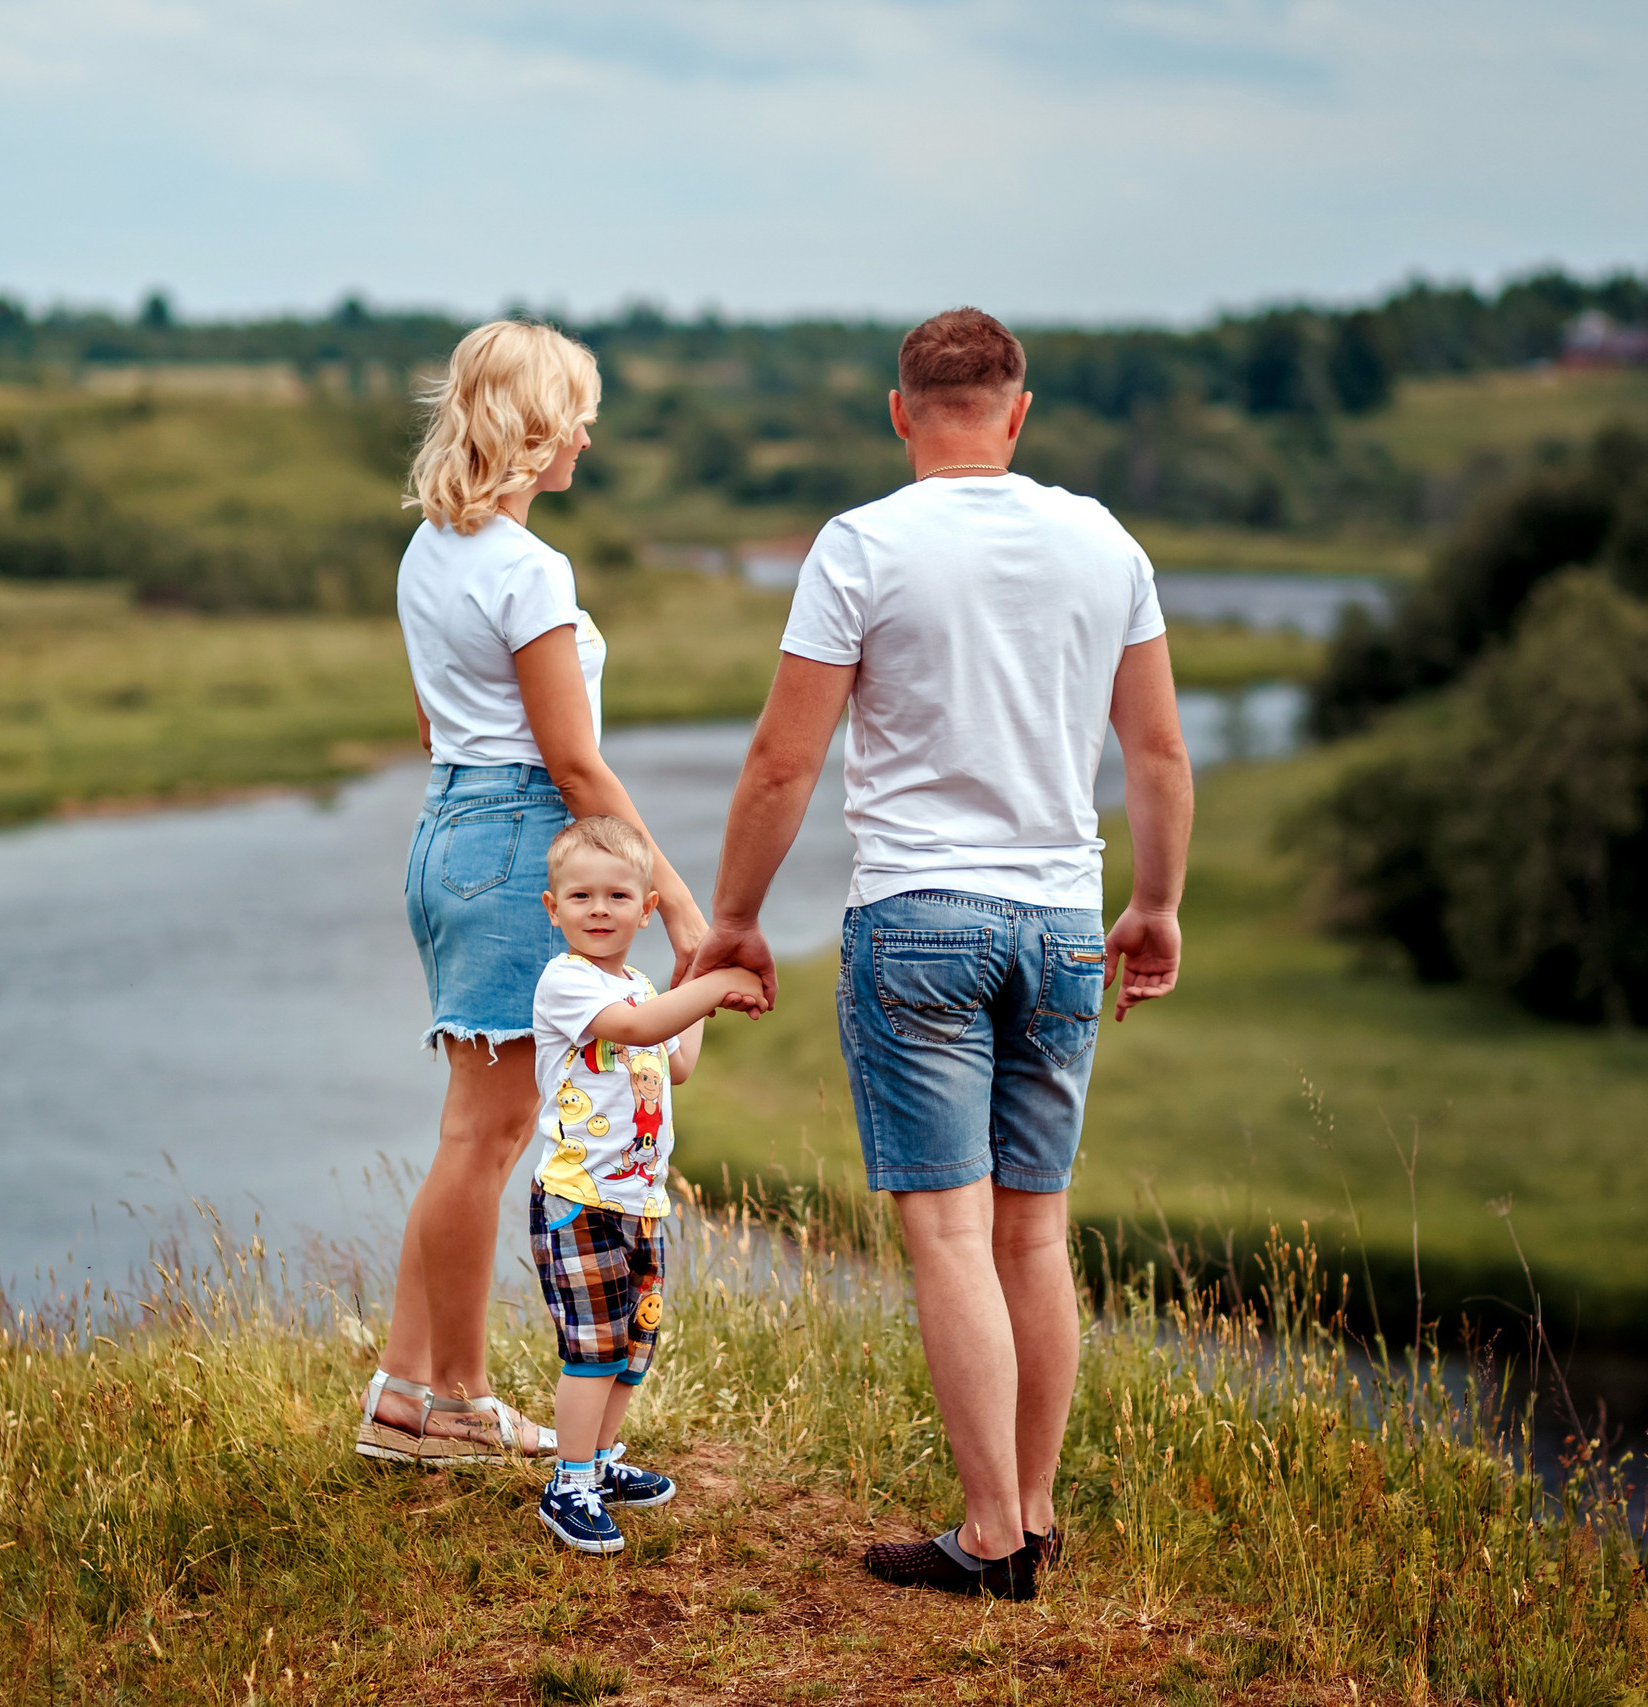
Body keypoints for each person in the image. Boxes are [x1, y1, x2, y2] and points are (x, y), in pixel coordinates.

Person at [682, 308, 1194, 1596]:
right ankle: (1031, 1516)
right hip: (1063, 922)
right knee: (1035, 1235)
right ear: (1018, 412)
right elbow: (1158, 754)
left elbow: (783, 760)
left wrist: (734, 918)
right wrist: (1157, 903)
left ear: (901, 411)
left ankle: (987, 1538)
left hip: (919, 921)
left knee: (954, 1241)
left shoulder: (860, 546)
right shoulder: (1103, 543)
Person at [358, 320, 728, 1464]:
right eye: (576, 409)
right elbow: (572, 763)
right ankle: (453, 1402)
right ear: (531, 426)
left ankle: (404, 1397)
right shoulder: (528, 568)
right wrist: (670, 898)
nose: (588, 431)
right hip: (518, 836)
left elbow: (434, 719)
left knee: (473, 1131)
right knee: (490, 1131)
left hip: (447, 828)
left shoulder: (432, 550)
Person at [523, 815, 765, 1553]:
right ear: (553, 907)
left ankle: (597, 1462)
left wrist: (700, 991)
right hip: (579, 1203)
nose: (599, 909)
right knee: (591, 1348)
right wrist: (717, 979)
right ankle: (567, 1483)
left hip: (640, 1202)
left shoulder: (643, 984)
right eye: (582, 895)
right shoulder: (567, 980)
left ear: (647, 907)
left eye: (618, 895)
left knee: (632, 1346)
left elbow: (676, 1060)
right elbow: (633, 1031)